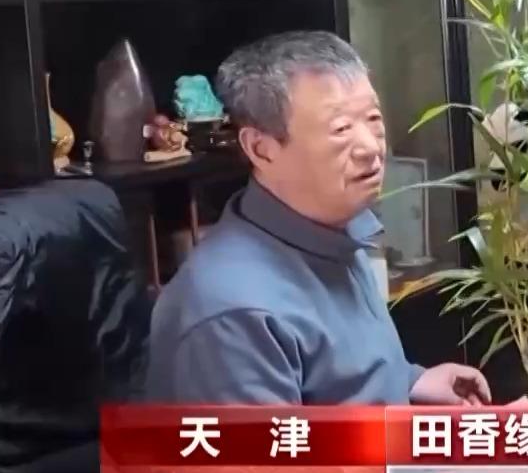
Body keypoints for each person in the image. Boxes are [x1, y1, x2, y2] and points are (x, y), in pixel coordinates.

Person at [146, 30, 492, 405]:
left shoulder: (333, 226)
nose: (371, 147)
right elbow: (283, 446)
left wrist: (410, 383)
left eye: (373, 118)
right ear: (261, 149)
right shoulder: (230, 315)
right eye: (340, 129)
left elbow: (339, 381)